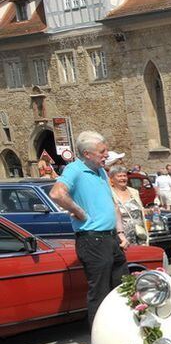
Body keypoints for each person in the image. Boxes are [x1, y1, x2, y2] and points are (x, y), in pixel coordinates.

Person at [48, 131, 127, 328]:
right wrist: (79, 212)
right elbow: (57, 194)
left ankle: (121, 332)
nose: (106, 154)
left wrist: (120, 233)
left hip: (110, 239)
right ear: (87, 154)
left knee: (122, 289)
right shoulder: (75, 169)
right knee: (100, 293)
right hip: (93, 240)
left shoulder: (100, 171)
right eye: (102, 151)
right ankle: (100, 339)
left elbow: (112, 204)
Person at [108, 164, 146, 246]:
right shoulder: (109, 194)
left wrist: (149, 211)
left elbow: (141, 210)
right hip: (121, 237)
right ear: (112, 179)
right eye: (119, 176)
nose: (123, 178)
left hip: (139, 234)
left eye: (124, 176)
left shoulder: (134, 192)